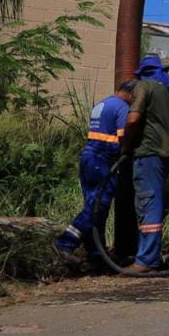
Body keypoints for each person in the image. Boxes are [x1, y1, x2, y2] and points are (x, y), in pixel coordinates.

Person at [123, 55, 169, 273]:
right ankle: (149, 255)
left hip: (148, 153)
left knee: (148, 202)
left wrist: (126, 145)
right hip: (168, 154)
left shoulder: (143, 86)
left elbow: (133, 118)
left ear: (143, 72)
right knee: (153, 201)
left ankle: (146, 260)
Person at [53, 80, 137, 267]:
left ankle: (96, 252)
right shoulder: (123, 107)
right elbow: (124, 137)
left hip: (89, 158)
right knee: (98, 205)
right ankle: (65, 242)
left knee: (96, 205)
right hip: (103, 160)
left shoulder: (103, 103)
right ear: (130, 94)